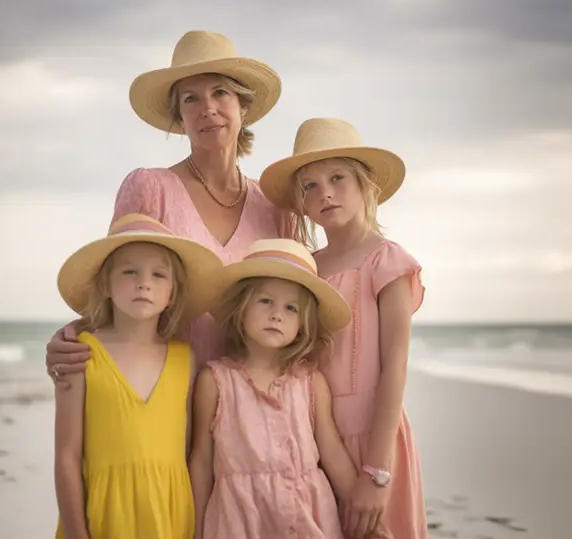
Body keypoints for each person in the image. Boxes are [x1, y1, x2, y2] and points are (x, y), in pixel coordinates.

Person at [45, 29, 293, 386]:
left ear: (244, 106)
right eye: (191, 99)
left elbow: (297, 306)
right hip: (164, 392)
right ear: (180, 117)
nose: (207, 108)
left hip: (251, 403)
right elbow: (115, 287)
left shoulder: (275, 207)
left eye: (220, 92)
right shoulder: (150, 188)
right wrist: (71, 336)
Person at [259, 118, 428, 538]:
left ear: (367, 186)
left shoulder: (387, 262)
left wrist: (377, 471)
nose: (324, 192)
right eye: (309, 186)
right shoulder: (306, 269)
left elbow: (395, 369)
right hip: (314, 441)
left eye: (337, 178)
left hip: (375, 439)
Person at [51, 213, 224, 539]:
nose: (144, 282)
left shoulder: (184, 359)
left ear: (172, 293)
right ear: (106, 284)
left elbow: (190, 456)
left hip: (170, 519)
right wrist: (76, 532)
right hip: (102, 518)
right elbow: (66, 458)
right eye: (129, 271)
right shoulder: (81, 355)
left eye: (159, 275)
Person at [189, 239, 358, 539]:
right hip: (240, 520)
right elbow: (201, 460)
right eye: (265, 301)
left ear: (302, 326)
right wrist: (196, 528)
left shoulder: (310, 382)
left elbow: (331, 450)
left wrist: (359, 506)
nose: (277, 314)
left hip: (308, 515)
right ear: (241, 308)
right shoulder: (215, 380)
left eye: (291, 308)